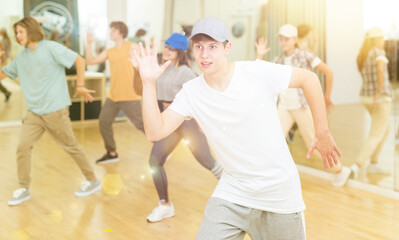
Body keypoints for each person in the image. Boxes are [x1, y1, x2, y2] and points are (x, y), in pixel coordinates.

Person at [133, 17, 341, 239]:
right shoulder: (191, 92)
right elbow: (155, 131)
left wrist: (322, 132)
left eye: (212, 46)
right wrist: (148, 83)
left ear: (227, 48)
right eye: (199, 47)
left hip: (278, 194)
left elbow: (309, 78)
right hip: (233, 191)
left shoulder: (255, 72)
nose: (204, 54)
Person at [0, 17, 101, 206]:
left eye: (21, 32)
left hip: (55, 111)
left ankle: (93, 180)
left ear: (31, 30)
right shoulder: (22, 57)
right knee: (23, 147)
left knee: (71, 147)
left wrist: (79, 85)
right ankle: (24, 187)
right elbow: (3, 75)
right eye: (16, 33)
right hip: (34, 114)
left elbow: (79, 60)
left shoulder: (50, 48)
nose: (17, 36)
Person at [132, 33, 222, 222]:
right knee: (154, 161)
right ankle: (165, 206)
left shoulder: (186, 73)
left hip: (186, 121)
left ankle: (239, 191)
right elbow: (141, 91)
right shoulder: (160, 69)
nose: (167, 50)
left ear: (181, 52)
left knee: (207, 161)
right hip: (168, 120)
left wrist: (202, 123)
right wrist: (136, 71)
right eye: (166, 46)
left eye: (172, 48)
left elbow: (201, 97)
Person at [256, 24, 350, 187]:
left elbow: (328, 72)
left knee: (314, 145)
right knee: (271, 139)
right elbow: (259, 72)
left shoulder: (305, 55)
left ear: (294, 40)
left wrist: (327, 97)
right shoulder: (278, 60)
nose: (283, 42)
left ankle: (340, 171)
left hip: (302, 107)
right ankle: (268, 177)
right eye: (281, 39)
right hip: (284, 108)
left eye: (286, 39)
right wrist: (259, 55)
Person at [85, 21, 144, 164]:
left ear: (121, 33)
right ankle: (111, 153)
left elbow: (145, 61)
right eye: (110, 30)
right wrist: (89, 43)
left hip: (130, 95)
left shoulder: (132, 47)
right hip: (113, 96)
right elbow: (90, 61)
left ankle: (163, 145)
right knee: (104, 121)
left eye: (113, 30)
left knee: (142, 125)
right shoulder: (109, 52)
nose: (110, 33)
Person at [351, 27, 391, 179]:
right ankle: (356, 166)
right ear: (375, 40)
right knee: (376, 133)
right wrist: (380, 91)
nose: (383, 42)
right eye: (381, 39)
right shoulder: (378, 53)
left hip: (366, 98)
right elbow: (381, 70)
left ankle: (374, 164)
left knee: (385, 129)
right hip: (379, 99)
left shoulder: (364, 55)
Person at [0, 28, 12, 102]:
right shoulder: (6, 40)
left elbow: (4, 51)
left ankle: (6, 92)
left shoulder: (4, 41)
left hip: (3, 60)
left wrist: (3, 57)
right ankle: (7, 93)